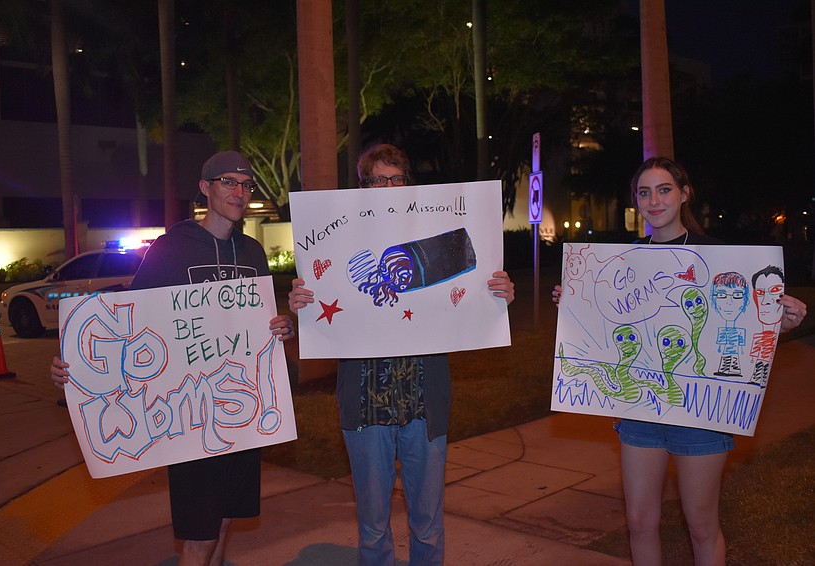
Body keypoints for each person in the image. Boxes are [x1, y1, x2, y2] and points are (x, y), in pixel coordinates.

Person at [552, 156, 807, 566]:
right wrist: (574, 303)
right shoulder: (623, 263)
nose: (655, 200)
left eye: (665, 189)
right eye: (645, 192)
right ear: (636, 200)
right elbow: (603, 326)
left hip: (700, 411)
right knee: (638, 521)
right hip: (640, 411)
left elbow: (742, 330)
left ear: (684, 194)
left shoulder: (723, 259)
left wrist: (782, 322)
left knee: (701, 523)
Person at [50, 150, 295, 566]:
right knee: (198, 537)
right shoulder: (169, 249)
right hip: (189, 418)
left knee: (223, 524)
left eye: (245, 184)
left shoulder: (253, 253)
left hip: (241, 414)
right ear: (205, 188)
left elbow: (262, 323)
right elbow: (128, 320)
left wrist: (283, 326)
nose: (239, 192)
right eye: (228, 182)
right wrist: (74, 363)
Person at [288, 143, 515, 565]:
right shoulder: (337, 248)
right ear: (364, 186)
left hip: (423, 405)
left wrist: (496, 295)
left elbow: (467, 296)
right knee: (373, 525)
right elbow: (324, 310)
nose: (388, 186)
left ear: (408, 184)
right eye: (378, 179)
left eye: (396, 178)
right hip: (365, 406)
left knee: (427, 523)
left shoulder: (431, 243)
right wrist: (302, 303)